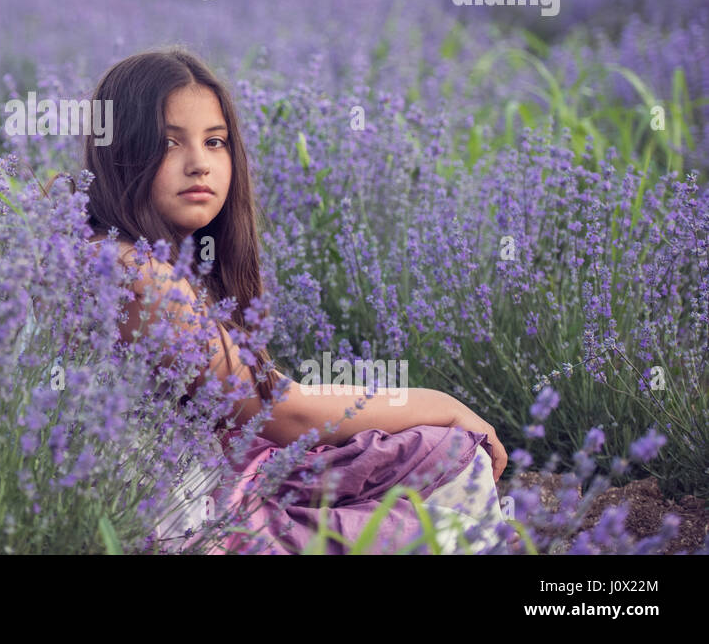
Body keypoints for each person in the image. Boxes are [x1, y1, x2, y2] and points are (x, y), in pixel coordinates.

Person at [74, 45, 508, 554]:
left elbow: (267, 396)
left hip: (207, 486)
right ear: (120, 151)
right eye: (169, 144)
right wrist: (441, 404)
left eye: (215, 142)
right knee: (460, 526)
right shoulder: (133, 270)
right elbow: (284, 413)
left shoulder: (117, 251)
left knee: (449, 454)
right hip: (177, 528)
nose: (199, 164)